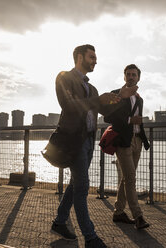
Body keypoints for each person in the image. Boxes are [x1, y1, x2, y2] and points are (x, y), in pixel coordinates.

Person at [50, 44, 137, 247]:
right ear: (79, 57)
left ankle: (59, 222)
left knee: (75, 184)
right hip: (74, 141)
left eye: (95, 57)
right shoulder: (65, 78)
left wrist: (120, 98)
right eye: (91, 57)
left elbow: (104, 109)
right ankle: (90, 237)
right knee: (82, 187)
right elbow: (68, 105)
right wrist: (98, 99)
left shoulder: (93, 88)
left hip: (89, 141)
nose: (95, 61)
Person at [104, 64, 150, 229]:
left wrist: (144, 140)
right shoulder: (117, 94)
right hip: (123, 142)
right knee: (131, 179)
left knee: (126, 179)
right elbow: (107, 117)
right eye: (128, 74)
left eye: (134, 75)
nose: (131, 77)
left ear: (138, 78)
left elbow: (138, 122)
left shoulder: (139, 99)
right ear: (124, 77)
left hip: (137, 141)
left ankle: (118, 213)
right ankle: (138, 216)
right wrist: (130, 121)